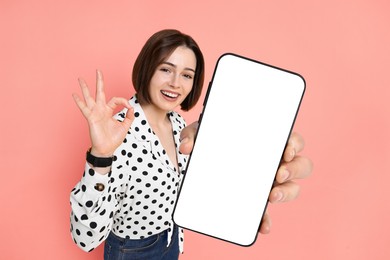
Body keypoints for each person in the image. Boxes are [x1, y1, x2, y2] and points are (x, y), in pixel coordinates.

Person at [70, 29, 313, 260]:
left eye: (187, 75)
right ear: (147, 70)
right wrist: (100, 156)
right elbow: (86, 239)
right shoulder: (118, 134)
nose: (176, 83)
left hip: (172, 240)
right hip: (132, 250)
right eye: (166, 69)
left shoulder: (180, 124)